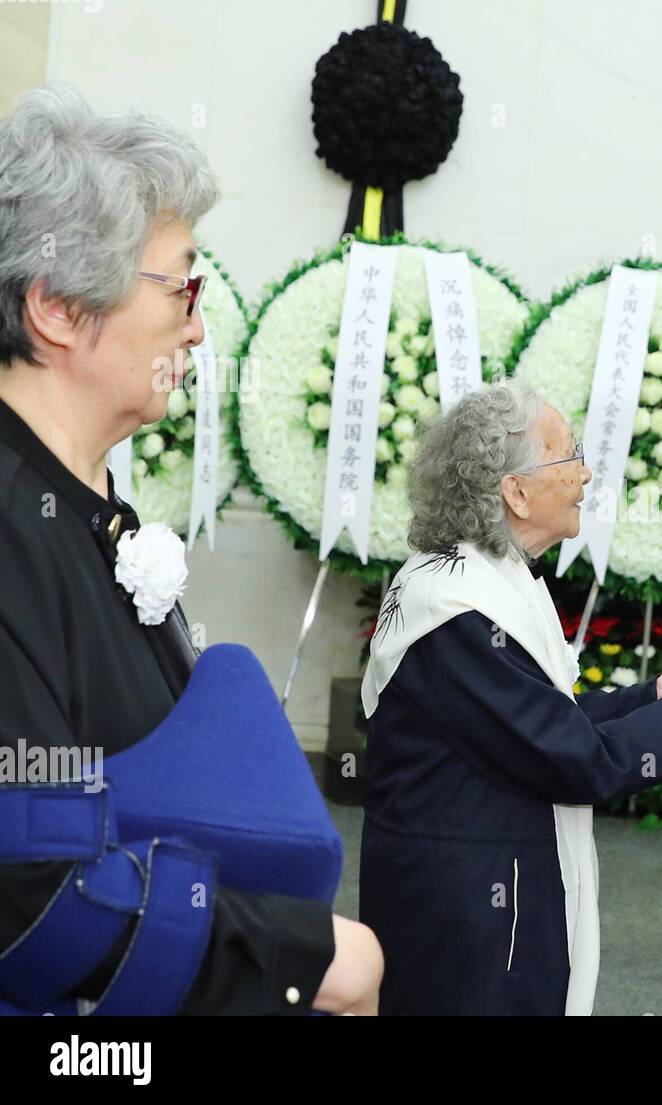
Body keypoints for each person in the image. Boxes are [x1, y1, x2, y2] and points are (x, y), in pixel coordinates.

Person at [0, 82, 382, 1015]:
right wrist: (301, 956)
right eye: (183, 286)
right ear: (55, 306)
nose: (201, 326)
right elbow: (26, 893)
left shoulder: (85, 505)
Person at [360, 379, 662, 1015]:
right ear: (515, 491)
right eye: (569, 456)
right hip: (469, 918)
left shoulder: (492, 577)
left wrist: (658, 692)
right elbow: (574, 758)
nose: (587, 471)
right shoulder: (455, 610)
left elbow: (548, 720)